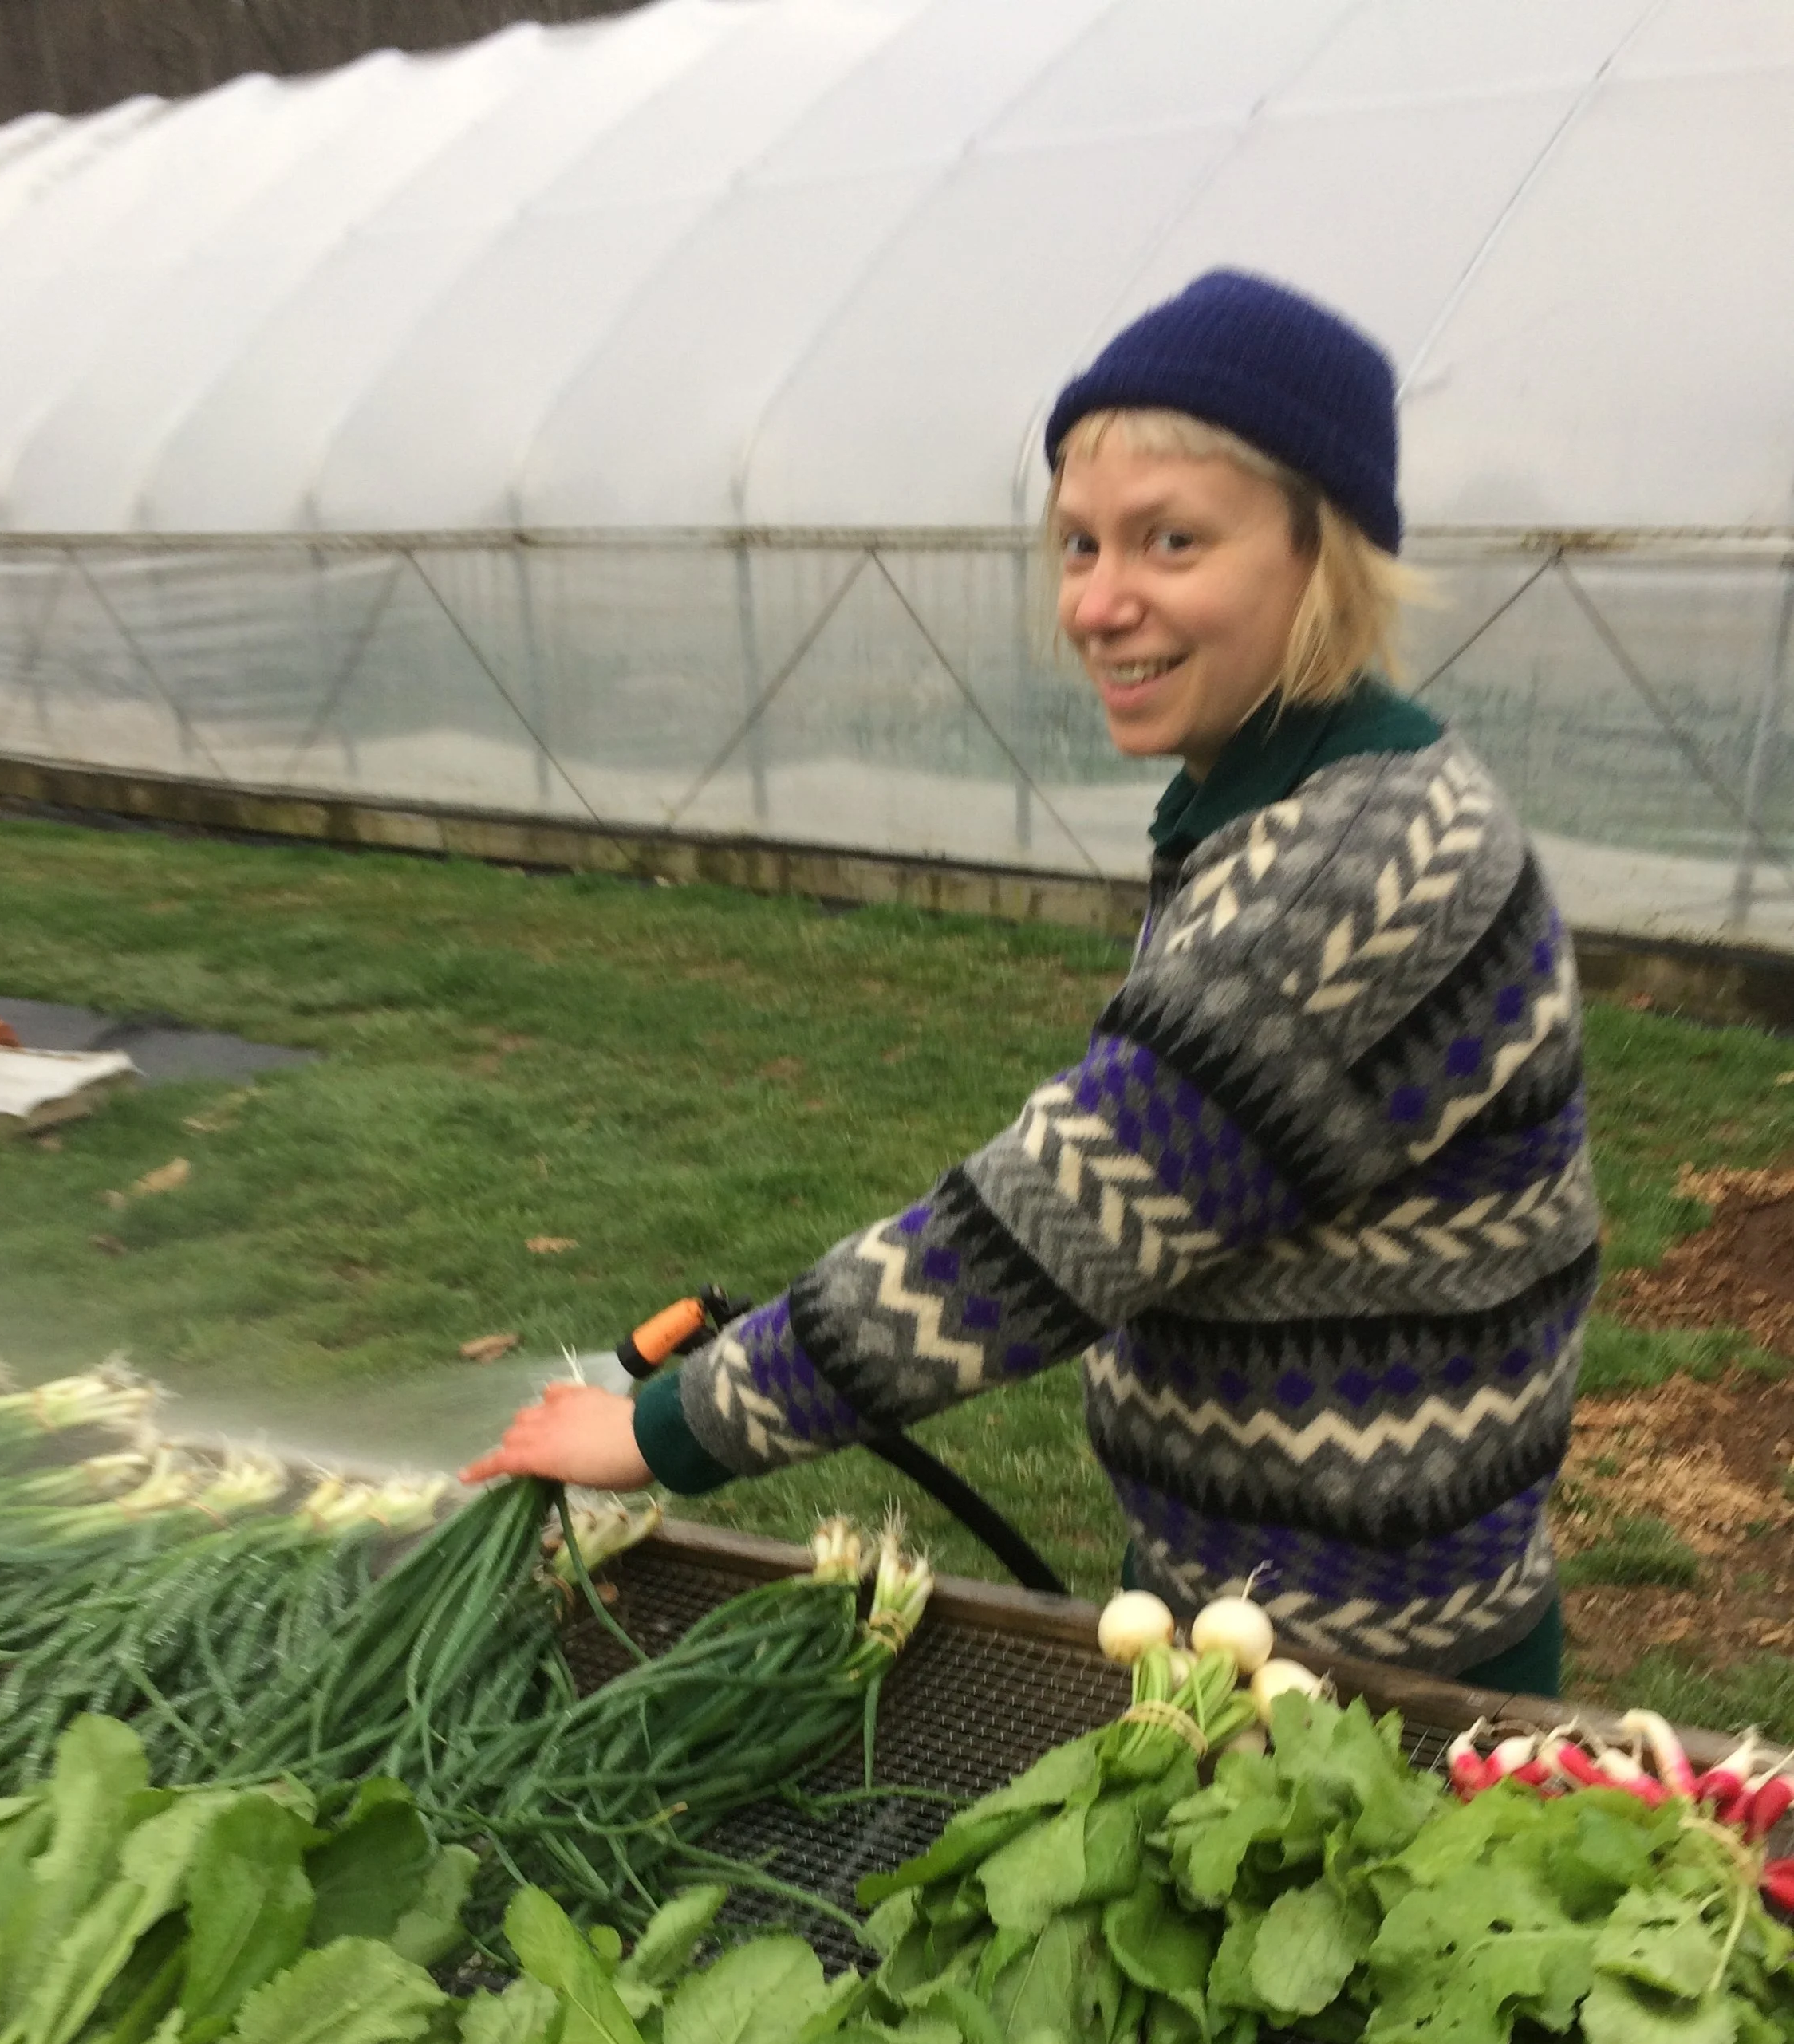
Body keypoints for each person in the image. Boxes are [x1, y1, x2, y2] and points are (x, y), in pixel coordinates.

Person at [467, 270, 1599, 1697]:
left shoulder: (1358, 863)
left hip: (1358, 1676)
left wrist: (663, 1431)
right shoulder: (1279, 807)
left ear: (1325, 554)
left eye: (1172, 540)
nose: (1100, 602)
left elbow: (1044, 1227)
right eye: (1078, 544)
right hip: (1243, 1604)